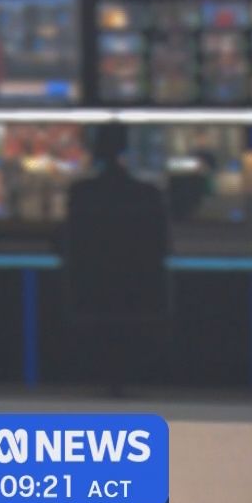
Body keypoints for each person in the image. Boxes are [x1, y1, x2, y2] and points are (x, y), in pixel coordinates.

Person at [58, 125, 172, 395]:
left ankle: (106, 380)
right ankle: (122, 381)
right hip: (136, 284)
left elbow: (69, 239)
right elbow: (161, 243)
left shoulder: (82, 192)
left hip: (93, 282)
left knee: (101, 333)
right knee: (127, 332)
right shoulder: (147, 193)